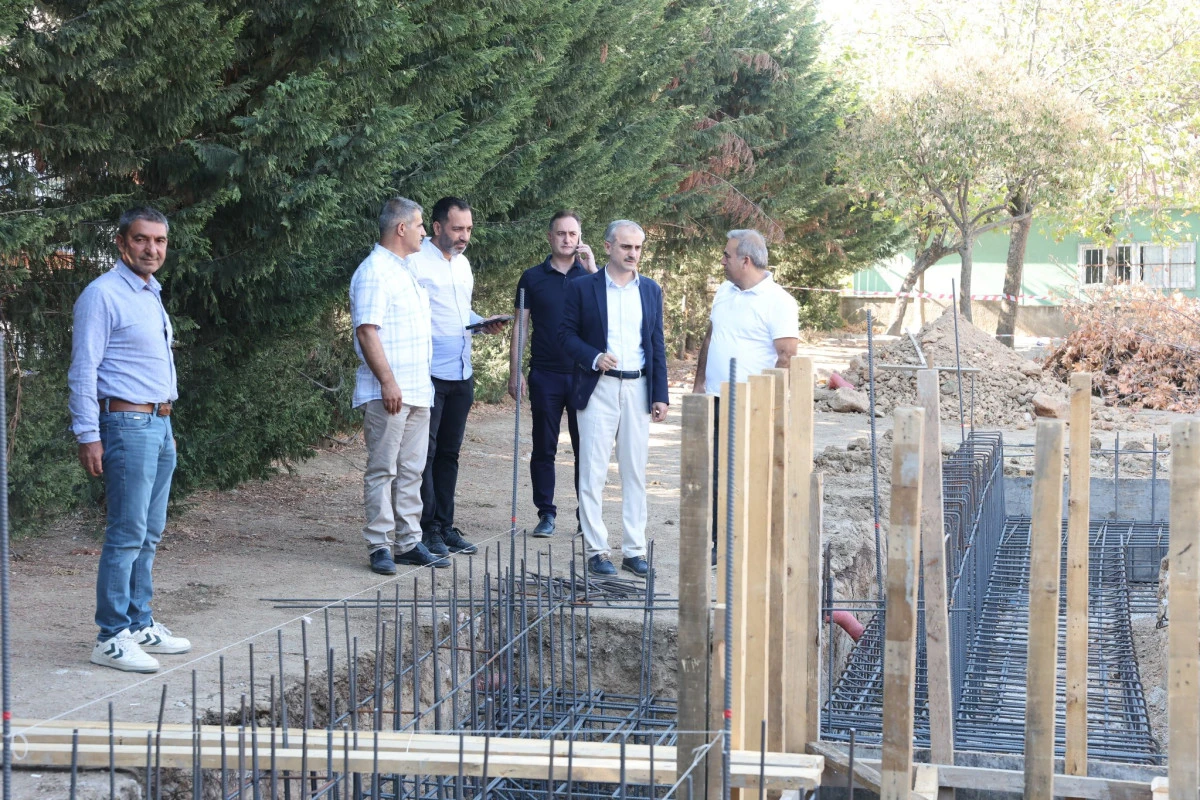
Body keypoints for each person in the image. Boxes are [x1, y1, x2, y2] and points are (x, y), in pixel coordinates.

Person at [68, 207, 190, 673]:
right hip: (125, 424)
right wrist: (88, 434)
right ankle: (111, 636)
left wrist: (164, 424)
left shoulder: (150, 293)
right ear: (122, 243)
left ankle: (139, 623)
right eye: (141, 239)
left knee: (150, 531)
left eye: (159, 241)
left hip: (160, 423)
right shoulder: (102, 295)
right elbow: (83, 369)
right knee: (126, 533)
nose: (151, 249)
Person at [559, 220, 669, 578]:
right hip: (598, 387)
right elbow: (564, 335)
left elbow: (656, 344)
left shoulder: (650, 289)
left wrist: (660, 394)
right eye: (626, 247)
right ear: (608, 247)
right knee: (592, 472)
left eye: (637, 247)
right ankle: (597, 550)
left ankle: (634, 551)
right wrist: (593, 357)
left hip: (638, 388)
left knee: (635, 472)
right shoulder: (582, 287)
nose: (633, 253)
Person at [351, 197, 450, 575]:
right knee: (383, 470)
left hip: (418, 389)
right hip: (389, 392)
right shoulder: (374, 271)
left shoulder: (405, 269)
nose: (425, 232)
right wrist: (388, 382)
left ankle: (408, 541)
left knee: (411, 471)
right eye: (421, 225)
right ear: (402, 228)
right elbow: (367, 331)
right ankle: (379, 544)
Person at [406, 197, 506, 558]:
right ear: (436, 227)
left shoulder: (463, 265)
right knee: (426, 454)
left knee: (449, 453)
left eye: (469, 229)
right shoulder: (415, 262)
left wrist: (481, 323)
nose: (465, 236)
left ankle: (446, 527)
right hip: (428, 374)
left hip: (461, 372)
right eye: (457, 228)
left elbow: (458, 313)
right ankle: (426, 528)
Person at [691, 229, 799, 564]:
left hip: (752, 403)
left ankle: (746, 543)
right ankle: (719, 543)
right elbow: (710, 337)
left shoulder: (779, 301)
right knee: (714, 473)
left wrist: (771, 405)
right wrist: (699, 383)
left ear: (745, 260)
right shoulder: (724, 291)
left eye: (727, 255)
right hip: (715, 398)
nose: (722, 260)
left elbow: (787, 356)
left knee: (746, 474)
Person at [508, 210, 598, 538]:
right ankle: (546, 513)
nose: (567, 239)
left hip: (583, 375)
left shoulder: (591, 277)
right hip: (544, 374)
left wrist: (594, 270)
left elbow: (609, 312)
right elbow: (521, 324)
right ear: (550, 237)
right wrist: (515, 370)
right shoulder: (532, 278)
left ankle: (586, 516)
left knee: (585, 449)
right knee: (544, 447)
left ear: (580, 238)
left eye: (572, 234)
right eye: (561, 233)